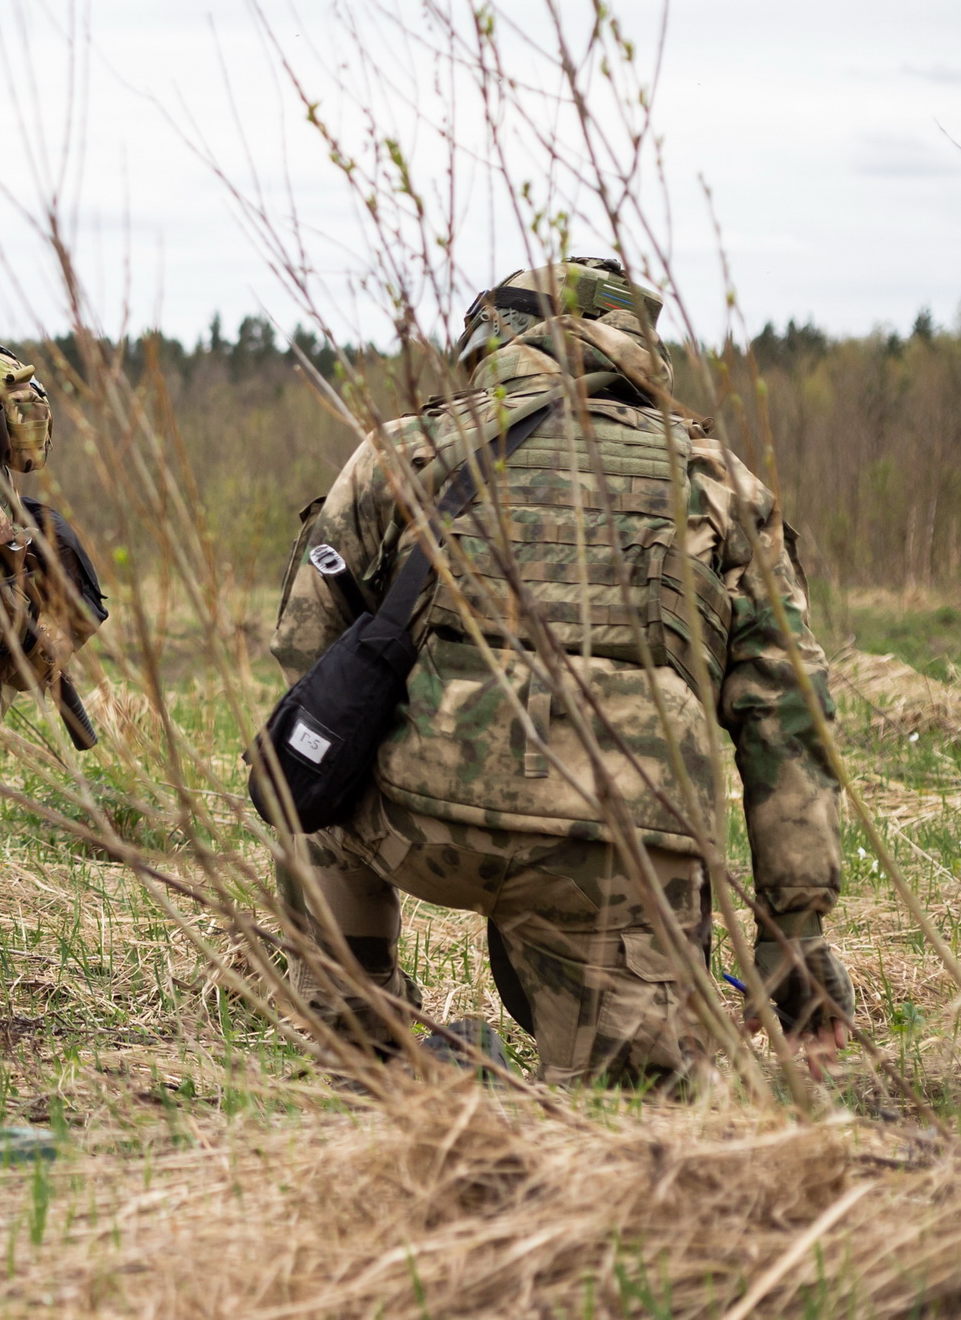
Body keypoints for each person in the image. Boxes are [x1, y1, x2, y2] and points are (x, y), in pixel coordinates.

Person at [269, 257, 852, 1086]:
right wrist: (794, 931)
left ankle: (365, 1040)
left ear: (494, 341)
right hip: (623, 850)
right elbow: (789, 719)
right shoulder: (719, 482)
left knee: (310, 770)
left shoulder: (404, 452)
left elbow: (308, 650)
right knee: (636, 1115)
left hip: (419, 820)